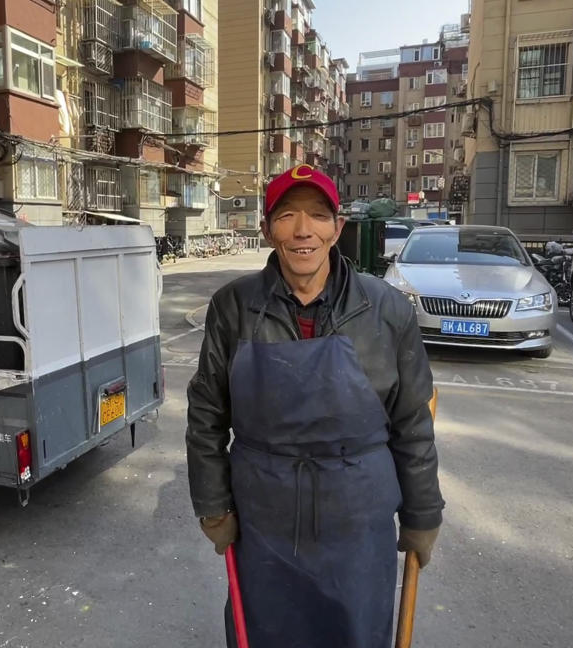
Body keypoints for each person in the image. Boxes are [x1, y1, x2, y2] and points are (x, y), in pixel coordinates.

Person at [186, 165, 444, 648]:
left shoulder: (386, 309)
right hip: (264, 514)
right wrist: (213, 505)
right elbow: (206, 417)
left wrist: (422, 512)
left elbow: (413, 421)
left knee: (355, 632)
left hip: (358, 514)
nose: (303, 230)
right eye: (286, 216)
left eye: (318, 216)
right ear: (266, 230)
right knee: (266, 632)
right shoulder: (233, 307)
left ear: (336, 228)